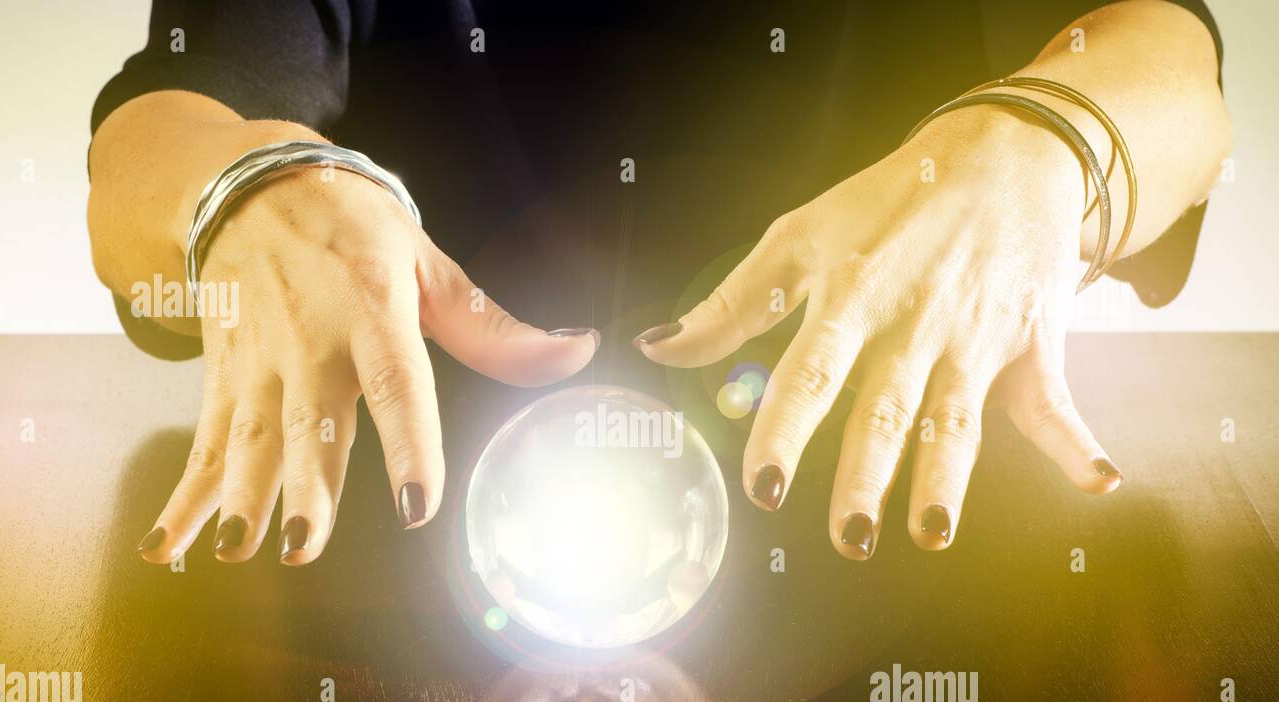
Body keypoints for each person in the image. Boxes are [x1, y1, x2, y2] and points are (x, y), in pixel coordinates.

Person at [88, 0, 1230, 565]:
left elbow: (1169, 64)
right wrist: (242, 190)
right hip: (402, 559)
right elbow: (164, 122)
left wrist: (1040, 148)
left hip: (895, 565)